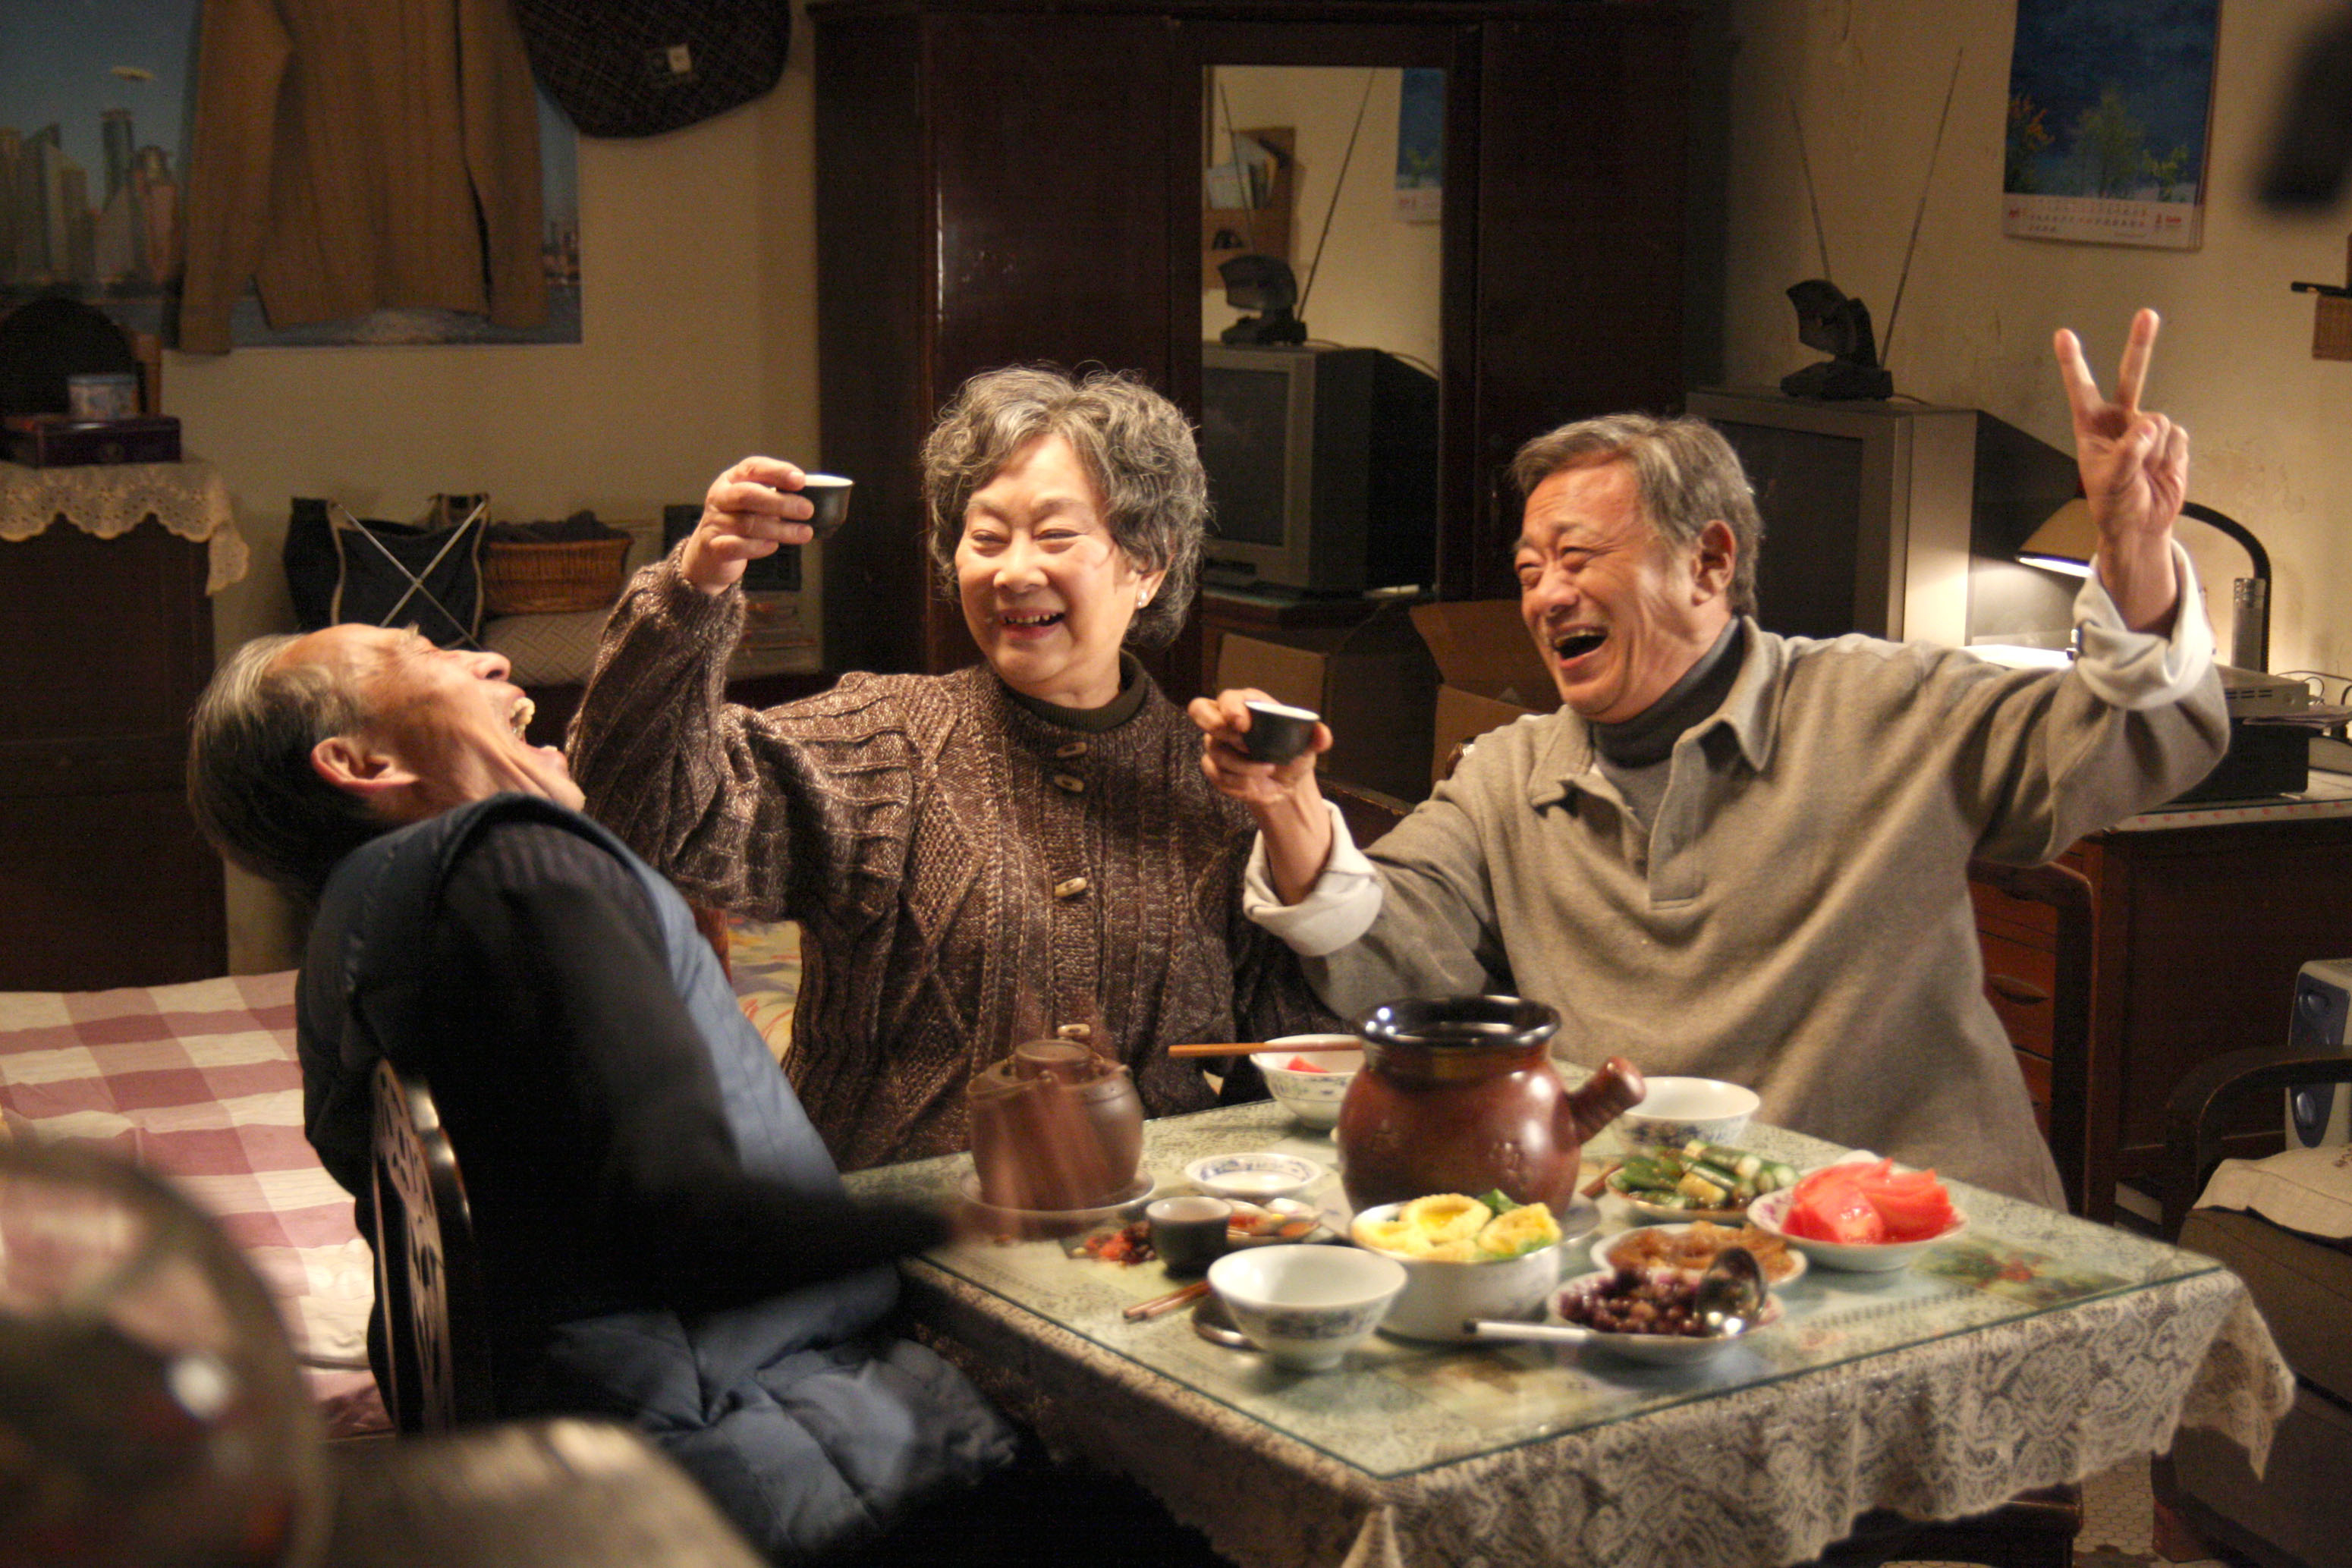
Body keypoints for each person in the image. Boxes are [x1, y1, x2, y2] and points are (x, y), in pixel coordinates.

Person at [1191, 310, 2228, 1206]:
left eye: (1580, 558)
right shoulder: (1510, 774)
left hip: (1916, 1224)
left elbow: (2129, 745)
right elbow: (1389, 939)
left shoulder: (1881, 706)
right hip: (1651, 1221)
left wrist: (2135, 558)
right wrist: (1289, 803)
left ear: (1712, 561)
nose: (1546, 595)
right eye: (1528, 567)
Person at [183, 624, 1020, 1562]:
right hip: (757, 1474)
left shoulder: (350, 933)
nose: (492, 660)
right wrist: (990, 1215)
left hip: (572, 1472)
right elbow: (700, 1233)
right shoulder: (518, 860)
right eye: (419, 655)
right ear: (359, 762)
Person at [568, 366, 1336, 1173]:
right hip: (901, 1242)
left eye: (1056, 534)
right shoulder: (882, 745)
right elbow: (633, 818)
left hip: (1133, 1242)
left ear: (1147, 564)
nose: (1012, 571)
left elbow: (1290, 1060)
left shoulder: (1216, 783)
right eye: (986, 536)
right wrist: (697, 583)